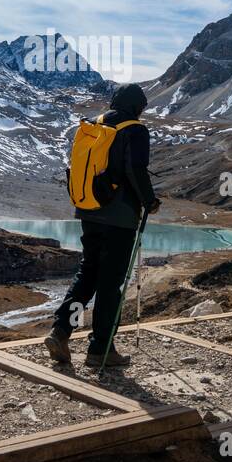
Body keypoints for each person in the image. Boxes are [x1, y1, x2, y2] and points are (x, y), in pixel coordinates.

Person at [46, 83, 160, 368]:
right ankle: (101, 349)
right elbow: (135, 169)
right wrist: (149, 200)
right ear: (137, 106)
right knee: (110, 284)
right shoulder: (135, 129)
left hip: (88, 212)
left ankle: (61, 331)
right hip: (119, 218)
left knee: (87, 275)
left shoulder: (94, 125)